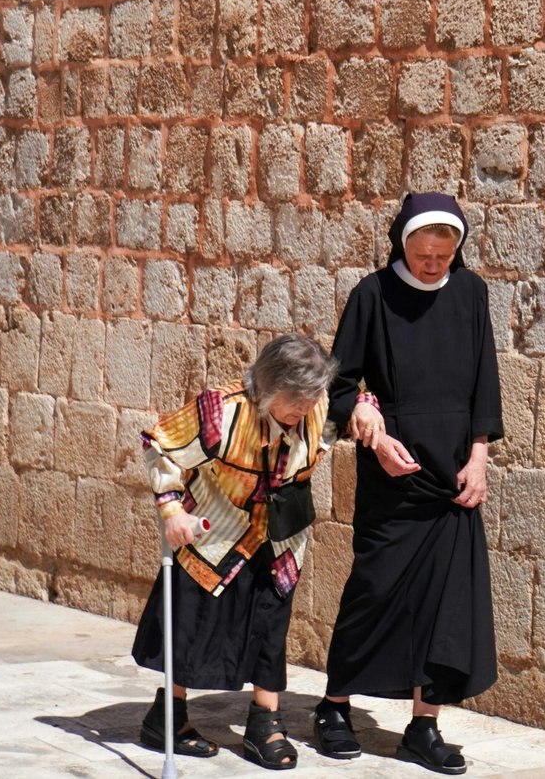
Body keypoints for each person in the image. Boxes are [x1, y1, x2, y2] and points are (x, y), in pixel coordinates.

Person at [313, 192, 503, 774]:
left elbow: (484, 382)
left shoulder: (471, 295)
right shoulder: (371, 295)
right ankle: (335, 707)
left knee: (448, 607)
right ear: (402, 244)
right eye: (421, 253)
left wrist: (479, 459)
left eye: (442, 256)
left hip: (452, 477)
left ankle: (425, 725)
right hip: (393, 473)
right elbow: (338, 386)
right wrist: (366, 425)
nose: (430, 264)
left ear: (457, 251)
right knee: (374, 591)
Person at [130, 333, 337, 771]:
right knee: (192, 625)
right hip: (215, 530)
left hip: (280, 536)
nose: (303, 409)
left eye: (310, 398)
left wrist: (369, 408)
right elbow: (160, 444)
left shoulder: (318, 407)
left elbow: (352, 406)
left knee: (270, 625)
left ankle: (265, 724)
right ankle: (167, 719)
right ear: (266, 388)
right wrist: (171, 512)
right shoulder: (220, 413)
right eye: (294, 399)